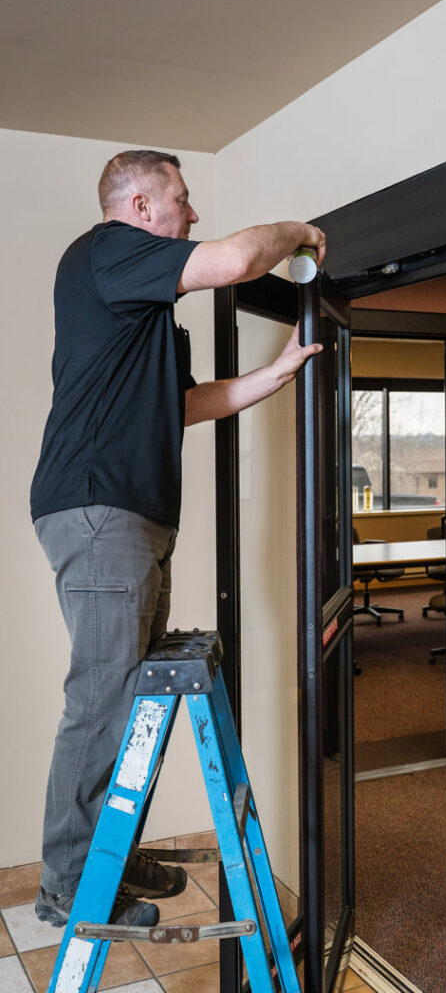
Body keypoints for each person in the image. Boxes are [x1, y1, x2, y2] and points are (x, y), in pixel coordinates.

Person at [30, 149, 326, 927]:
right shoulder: (106, 250)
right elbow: (231, 260)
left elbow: (189, 406)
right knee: (102, 694)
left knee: (130, 695)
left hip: (130, 513)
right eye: (182, 200)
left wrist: (278, 373)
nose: (191, 214)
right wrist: (298, 232)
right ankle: (68, 885)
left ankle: (109, 861)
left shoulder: (145, 317)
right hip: (100, 507)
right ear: (137, 206)